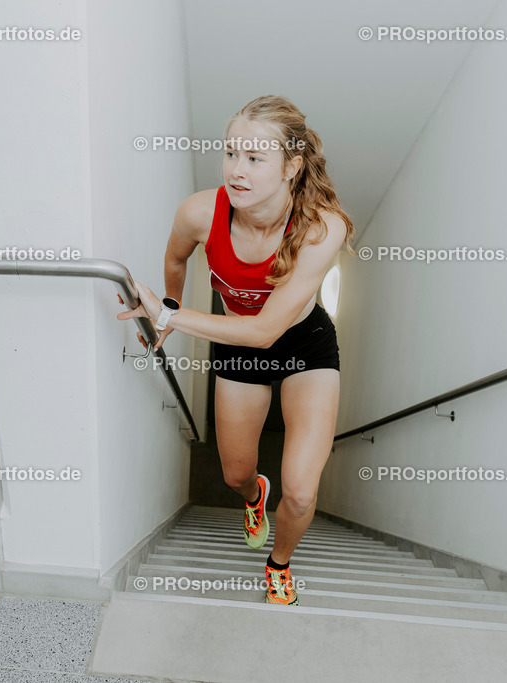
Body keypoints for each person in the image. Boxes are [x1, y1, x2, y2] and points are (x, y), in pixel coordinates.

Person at [117, 95, 355, 606]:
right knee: (235, 474)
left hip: (303, 345)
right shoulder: (201, 212)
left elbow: (268, 331)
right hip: (236, 341)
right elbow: (174, 259)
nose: (236, 171)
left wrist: (168, 315)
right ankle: (255, 498)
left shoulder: (321, 226)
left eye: (254, 158)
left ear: (292, 166)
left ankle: (279, 564)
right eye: (230, 154)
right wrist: (173, 303)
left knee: (302, 490)